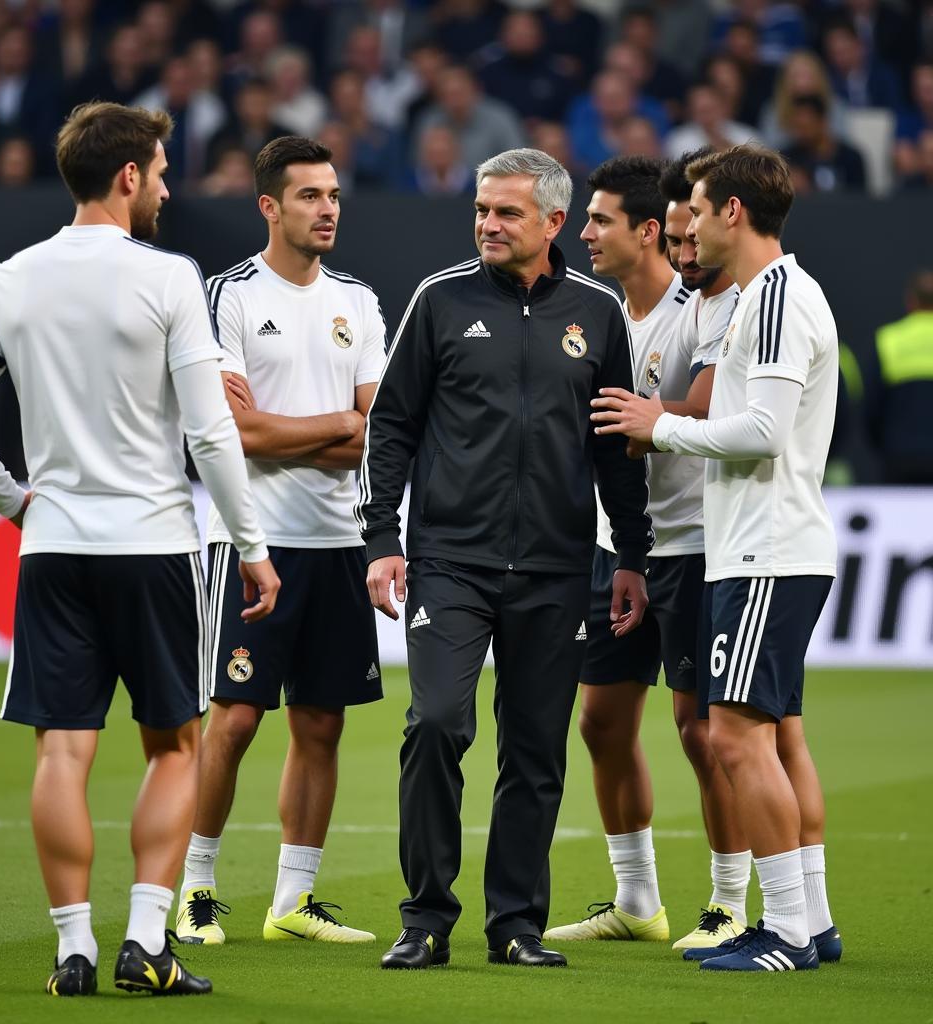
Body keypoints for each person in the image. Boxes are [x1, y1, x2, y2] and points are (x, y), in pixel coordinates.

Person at [0, 101, 280, 996]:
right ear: (128, 176)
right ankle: (148, 943)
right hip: (155, 544)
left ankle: (72, 951)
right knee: (175, 746)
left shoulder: (12, 278)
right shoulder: (167, 278)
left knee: (62, 751)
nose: (164, 187)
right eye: (160, 172)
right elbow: (211, 435)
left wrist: (12, 499)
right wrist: (251, 545)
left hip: (54, 549)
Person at [358, 148, 653, 970]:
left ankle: (516, 924)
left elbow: (617, 447)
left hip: (559, 567)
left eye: (507, 212)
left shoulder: (598, 313)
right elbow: (391, 427)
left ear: (553, 222)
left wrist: (630, 554)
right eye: (482, 209)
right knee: (437, 722)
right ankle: (425, 919)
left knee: (534, 747)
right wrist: (382, 537)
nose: (488, 223)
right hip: (449, 560)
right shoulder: (438, 300)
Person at [591, 144, 842, 972]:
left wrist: (657, 425)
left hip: (762, 548)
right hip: (761, 545)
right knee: (760, 738)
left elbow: (764, 432)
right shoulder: (762, 297)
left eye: (696, 208)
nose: (686, 224)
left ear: (734, 211)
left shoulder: (773, 298)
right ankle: (815, 918)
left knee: (734, 741)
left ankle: (788, 932)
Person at [175, 135, 385, 947]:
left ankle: (292, 901)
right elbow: (233, 435)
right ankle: (195, 891)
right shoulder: (226, 294)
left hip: (338, 541)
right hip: (250, 538)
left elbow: (374, 433)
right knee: (231, 721)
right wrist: (336, 422)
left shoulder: (359, 301)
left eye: (333, 194)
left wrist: (301, 428)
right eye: (309, 196)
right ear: (269, 205)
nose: (328, 208)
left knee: (321, 724)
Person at [545, 153, 747, 953]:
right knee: (600, 722)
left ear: (648, 231)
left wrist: (641, 417)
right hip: (615, 546)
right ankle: (637, 900)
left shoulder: (697, 308)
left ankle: (729, 902)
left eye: (599, 221)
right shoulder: (592, 316)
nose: (585, 233)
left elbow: (697, 408)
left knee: (702, 731)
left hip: (696, 544)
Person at [865, 269, 933, 483]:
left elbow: (872, 408)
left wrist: (884, 447)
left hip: (899, 458)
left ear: (911, 300)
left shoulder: (888, 340)